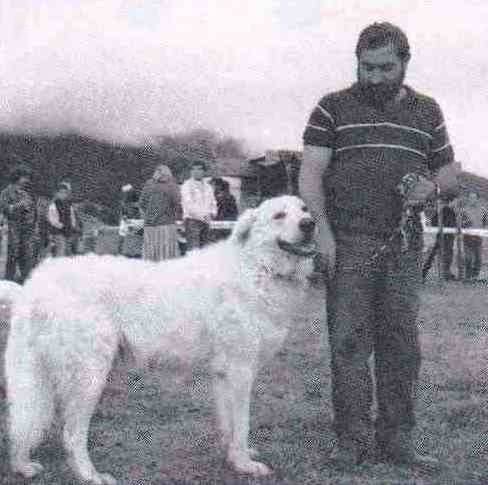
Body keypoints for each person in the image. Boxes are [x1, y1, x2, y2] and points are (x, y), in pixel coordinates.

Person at [299, 22, 458, 469]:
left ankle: (398, 440)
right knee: (347, 342)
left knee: (401, 343)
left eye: (385, 68)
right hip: (347, 242)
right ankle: (351, 441)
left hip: (404, 245)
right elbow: (311, 175)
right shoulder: (331, 108)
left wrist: (430, 186)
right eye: (366, 67)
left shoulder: (428, 111)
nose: (373, 77)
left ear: (405, 62)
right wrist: (323, 234)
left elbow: (448, 172)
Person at [0, 165, 37, 282]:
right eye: (25, 177)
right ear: (17, 177)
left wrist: (33, 225)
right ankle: (8, 282)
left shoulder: (26, 194)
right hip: (12, 228)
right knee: (12, 255)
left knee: (26, 256)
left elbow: (32, 211)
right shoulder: (6, 192)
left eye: (28, 177)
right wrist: (19, 205)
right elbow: (5, 209)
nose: (27, 180)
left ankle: (25, 282)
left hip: (27, 230)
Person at [139, 164, 182, 261]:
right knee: (166, 255)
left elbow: (142, 204)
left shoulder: (149, 184)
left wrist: (148, 216)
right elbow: (177, 203)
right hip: (166, 224)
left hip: (150, 225)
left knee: (150, 255)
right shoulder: (172, 185)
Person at [180, 161, 217, 250]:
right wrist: (202, 216)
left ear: (204, 171)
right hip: (192, 221)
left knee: (205, 250)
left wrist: (212, 213)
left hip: (206, 222)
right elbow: (188, 204)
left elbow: (213, 202)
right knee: (194, 250)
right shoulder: (186, 185)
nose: (196, 171)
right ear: (190, 171)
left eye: (199, 169)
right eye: (193, 169)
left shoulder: (208, 187)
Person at [422, 203, 457, 280]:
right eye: (455, 202)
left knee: (446, 255)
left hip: (449, 236)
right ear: (451, 201)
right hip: (443, 237)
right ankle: (425, 271)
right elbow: (434, 222)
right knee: (438, 254)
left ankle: (446, 272)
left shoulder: (452, 211)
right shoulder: (445, 211)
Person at [47, 181, 80, 257]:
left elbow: (72, 217)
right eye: (61, 192)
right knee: (61, 248)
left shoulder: (68, 205)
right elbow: (52, 219)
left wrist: (72, 226)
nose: (63, 195)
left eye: (65, 193)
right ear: (57, 193)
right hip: (58, 232)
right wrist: (62, 226)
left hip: (68, 231)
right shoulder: (53, 205)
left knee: (69, 251)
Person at [460, 190, 487, 280]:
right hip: (467, 237)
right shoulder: (464, 210)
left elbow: (485, 222)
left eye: (474, 198)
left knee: (479, 259)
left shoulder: (483, 210)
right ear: (468, 199)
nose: (472, 199)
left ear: (477, 199)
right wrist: (465, 223)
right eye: (470, 197)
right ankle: (468, 277)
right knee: (468, 258)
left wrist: (484, 230)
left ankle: (475, 276)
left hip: (478, 238)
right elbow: (459, 223)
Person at [118, 184, 143, 258]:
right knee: (125, 235)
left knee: (134, 236)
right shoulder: (125, 202)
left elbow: (139, 210)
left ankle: (133, 252)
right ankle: (124, 251)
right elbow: (124, 211)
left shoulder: (135, 201)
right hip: (130, 221)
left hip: (135, 221)